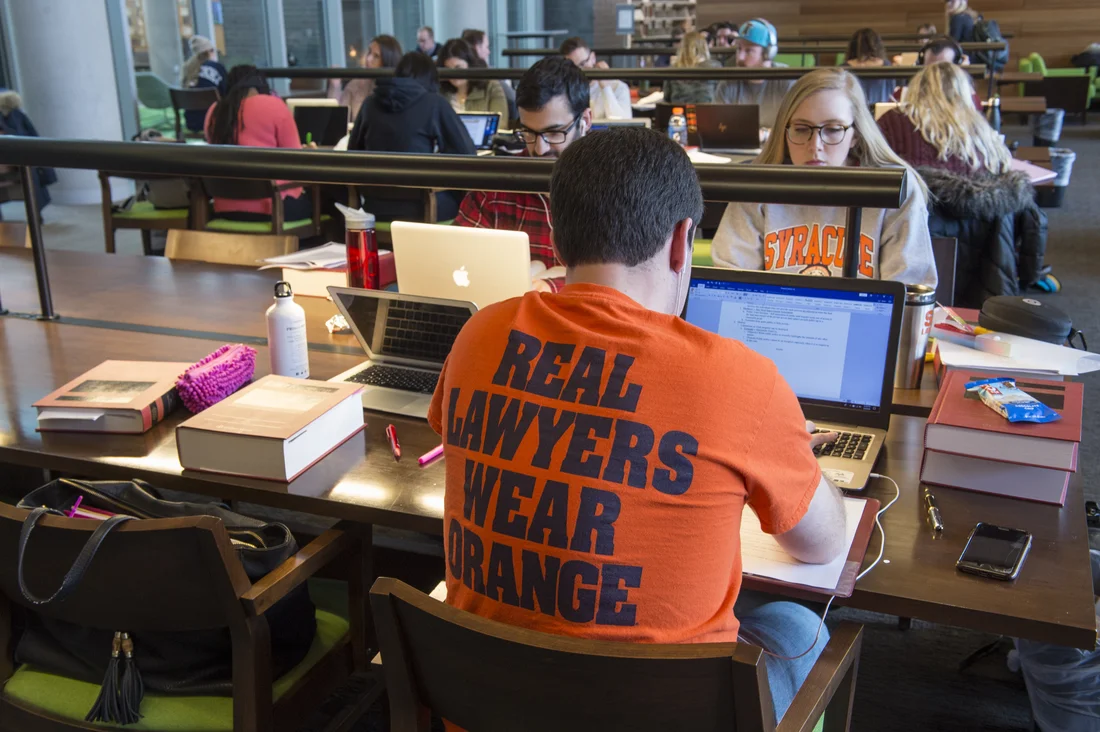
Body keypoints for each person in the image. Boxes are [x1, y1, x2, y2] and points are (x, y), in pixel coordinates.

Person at [429, 126, 847, 723]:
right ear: (682, 243)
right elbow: (823, 546)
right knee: (796, 622)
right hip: (664, 715)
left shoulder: (478, 336)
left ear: (556, 233)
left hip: (488, 704)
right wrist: (797, 458)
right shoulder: (742, 380)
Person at [711, 68, 937, 288]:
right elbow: (729, 278)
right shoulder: (756, 185)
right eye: (801, 129)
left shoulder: (896, 189)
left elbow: (909, 288)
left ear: (855, 135)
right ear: (784, 131)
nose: (815, 146)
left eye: (833, 129)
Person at [878, 62, 1047, 306]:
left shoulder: (894, 122)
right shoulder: (982, 129)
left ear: (914, 89)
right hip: (987, 262)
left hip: (920, 248)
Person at [454, 56, 591, 292]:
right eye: (529, 133)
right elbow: (455, 260)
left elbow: (626, 282)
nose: (540, 149)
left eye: (555, 133)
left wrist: (553, 287)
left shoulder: (615, 188)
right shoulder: (495, 189)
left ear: (585, 122)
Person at [348, 52, 475, 222]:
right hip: (422, 208)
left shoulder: (370, 103)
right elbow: (467, 154)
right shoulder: (434, 103)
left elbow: (352, 152)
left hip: (373, 207)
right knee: (467, 202)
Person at [204, 66, 312, 222]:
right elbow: (297, 158)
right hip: (273, 209)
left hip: (224, 209)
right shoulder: (273, 105)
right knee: (327, 201)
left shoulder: (215, 111)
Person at [715, 19, 794, 129]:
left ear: (768, 54)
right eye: (739, 49)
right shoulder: (727, 83)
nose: (740, 58)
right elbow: (718, 128)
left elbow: (796, 127)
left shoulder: (786, 80)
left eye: (749, 51)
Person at [328, 35, 402, 121]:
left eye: (376, 56)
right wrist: (335, 86)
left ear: (387, 61)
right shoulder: (356, 84)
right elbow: (337, 119)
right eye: (369, 52)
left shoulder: (398, 89)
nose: (368, 59)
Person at [437, 38, 510, 121]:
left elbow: (500, 126)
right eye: (448, 69)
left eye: (459, 68)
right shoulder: (440, 92)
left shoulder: (491, 87)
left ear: (470, 65)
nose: (453, 74)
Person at [560, 36, 633, 119]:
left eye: (583, 63)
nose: (580, 70)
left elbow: (622, 125)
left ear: (593, 58)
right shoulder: (566, 91)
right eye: (574, 68)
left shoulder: (619, 87)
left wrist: (606, 88)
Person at [463, 27, 518, 124]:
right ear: (477, 47)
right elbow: (513, 98)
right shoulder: (490, 76)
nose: (488, 52)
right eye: (486, 47)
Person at [181, 35, 228, 134]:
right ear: (210, 51)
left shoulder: (187, 69)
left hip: (192, 123)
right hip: (215, 122)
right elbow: (227, 93)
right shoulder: (218, 67)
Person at [664, 31, 722, 104]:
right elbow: (720, 95)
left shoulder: (672, 70)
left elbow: (667, 99)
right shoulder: (715, 67)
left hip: (679, 113)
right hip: (708, 112)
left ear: (682, 48)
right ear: (704, 47)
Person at [844, 28, 896, 105]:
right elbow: (891, 91)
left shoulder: (844, 68)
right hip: (879, 113)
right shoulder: (886, 65)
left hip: (852, 114)